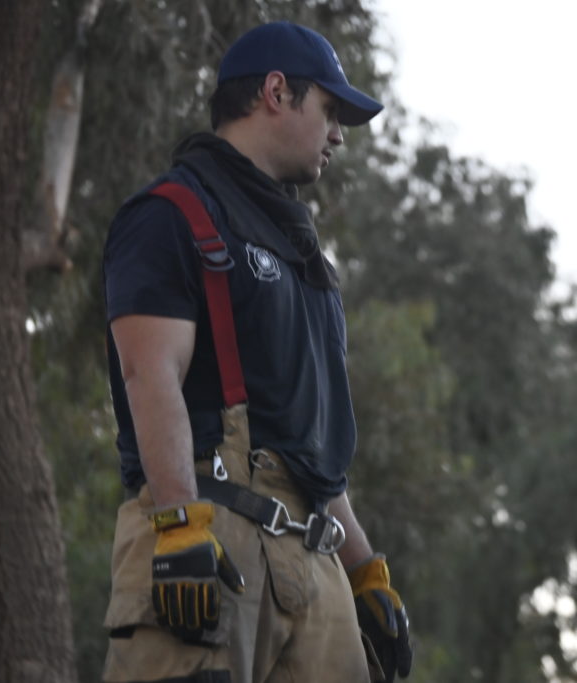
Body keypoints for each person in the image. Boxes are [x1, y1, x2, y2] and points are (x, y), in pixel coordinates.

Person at [100, 21, 412, 683]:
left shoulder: (307, 262)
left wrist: (363, 570)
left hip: (315, 559)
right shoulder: (170, 213)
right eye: (330, 110)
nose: (338, 135)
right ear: (276, 92)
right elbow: (148, 372)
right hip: (208, 535)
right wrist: (179, 523)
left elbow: (310, 450)